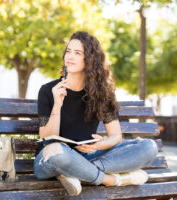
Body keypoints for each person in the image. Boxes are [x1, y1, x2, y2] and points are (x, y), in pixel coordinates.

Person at [34, 31, 158, 196]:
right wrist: (57, 105)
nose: (70, 56)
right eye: (68, 51)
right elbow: (46, 138)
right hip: (52, 159)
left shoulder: (102, 93)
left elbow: (116, 137)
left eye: (78, 53)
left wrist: (101, 145)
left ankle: (75, 173)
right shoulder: (48, 91)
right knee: (57, 151)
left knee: (148, 147)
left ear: (90, 60)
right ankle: (110, 180)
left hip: (88, 156)